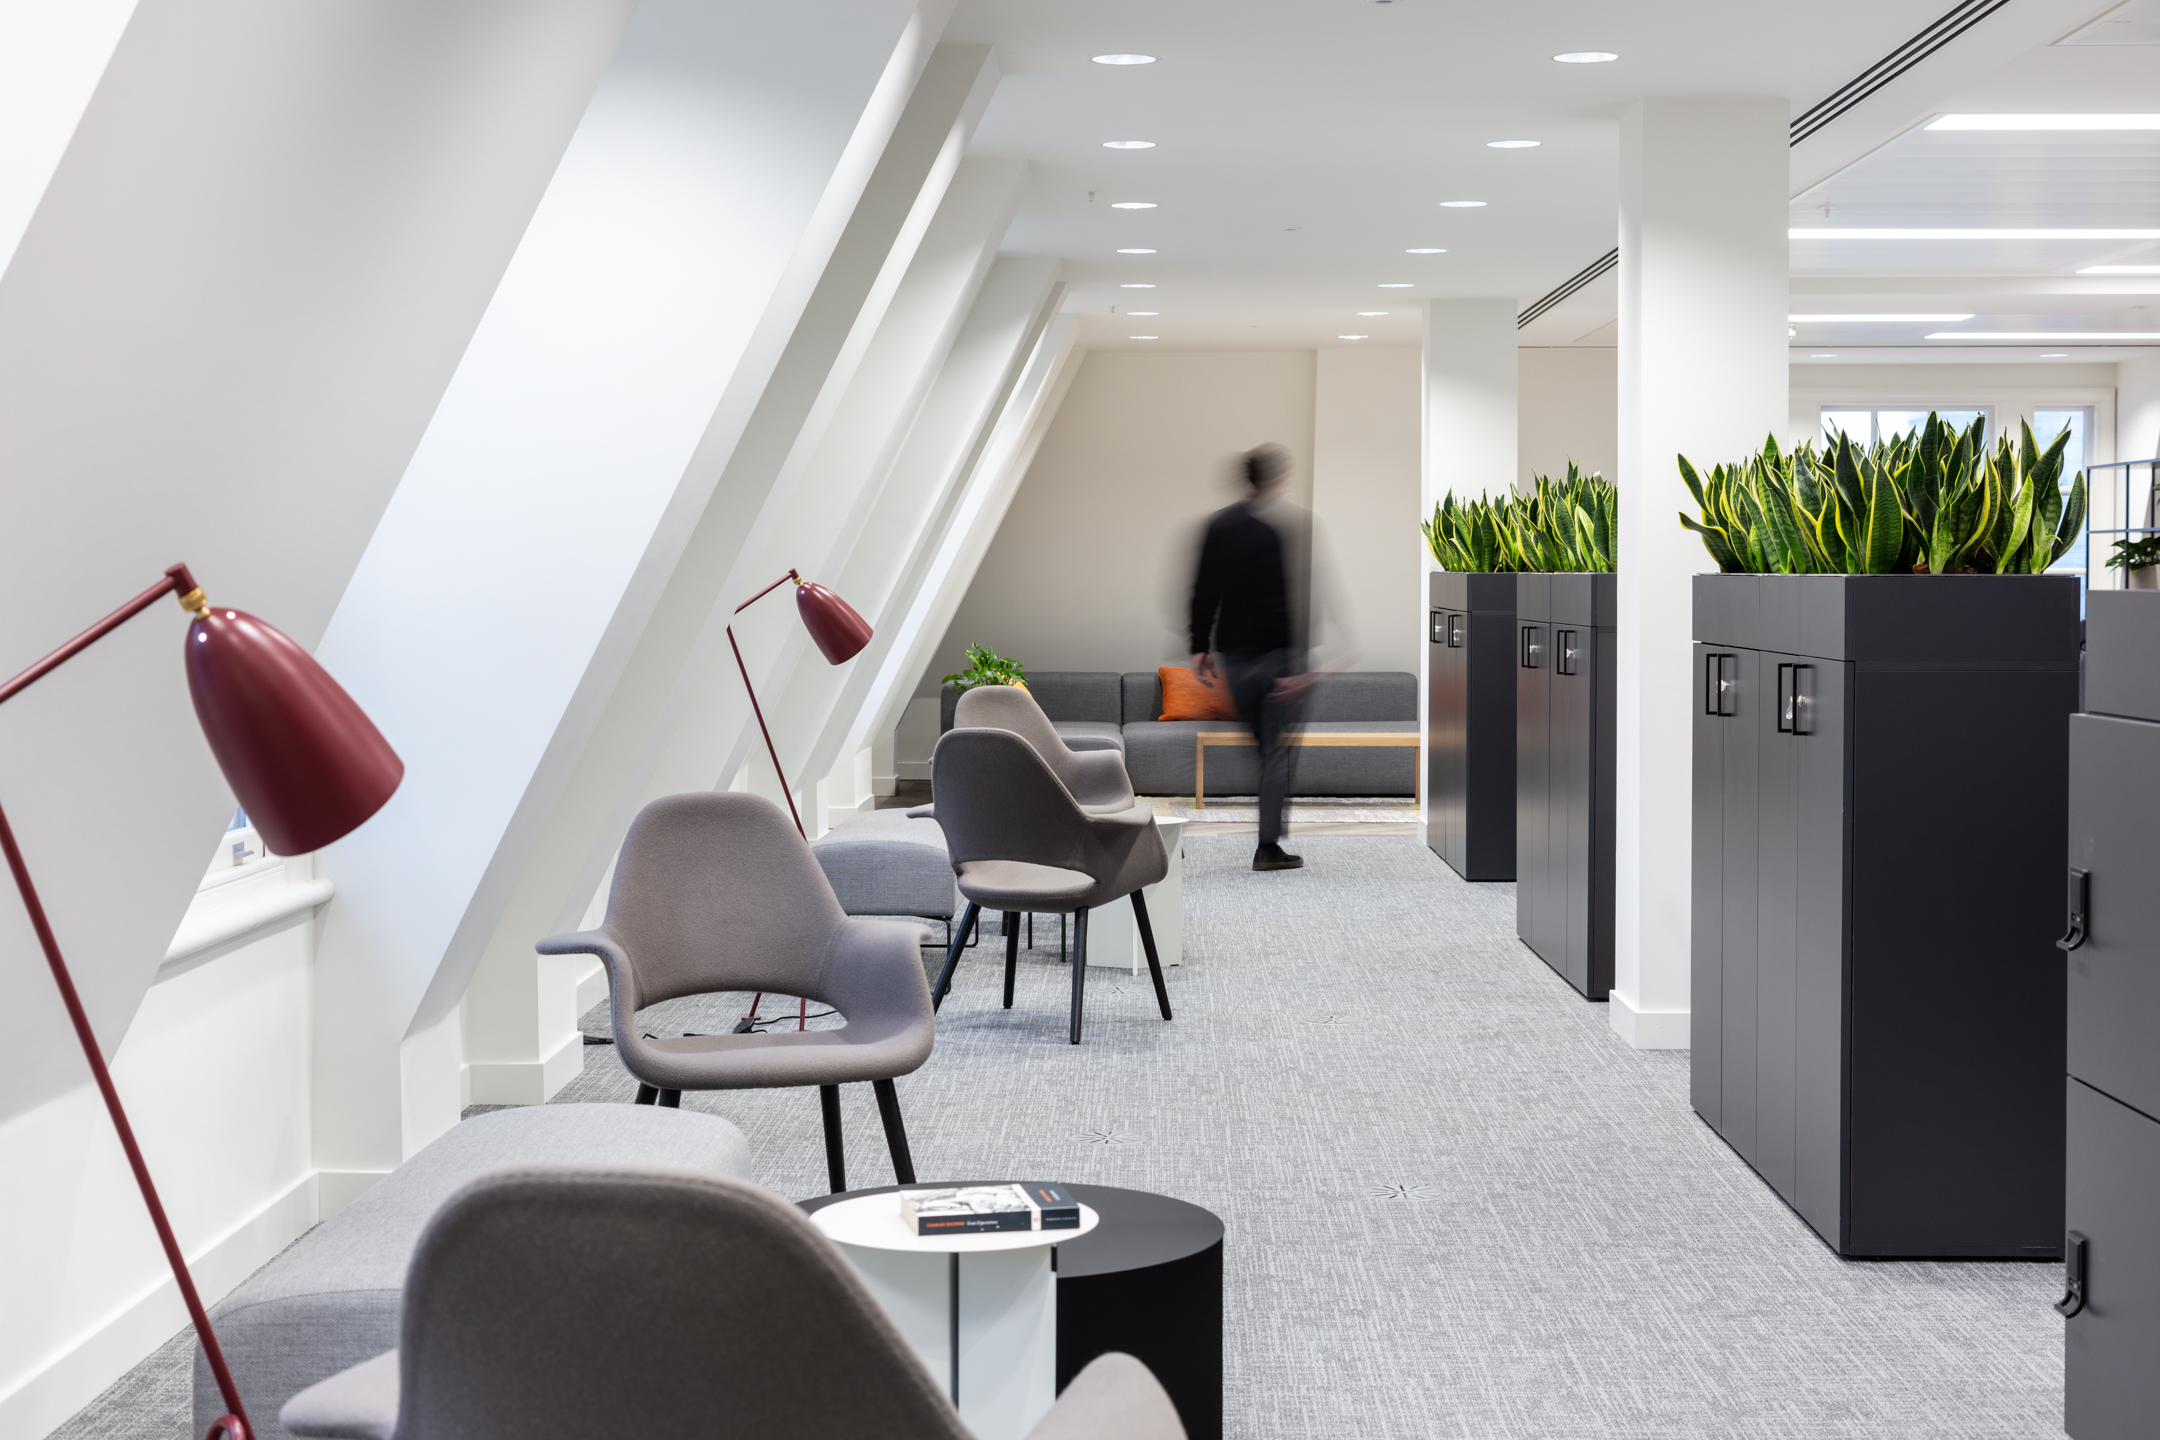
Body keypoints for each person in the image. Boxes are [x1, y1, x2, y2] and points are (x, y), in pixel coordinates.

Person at [1188, 444, 1324, 871]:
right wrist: (1293, 667)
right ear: (1274, 479)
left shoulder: (1217, 526)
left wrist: (1199, 647)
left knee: (1266, 752)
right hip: (1272, 660)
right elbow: (1282, 603)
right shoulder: (1273, 532)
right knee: (1275, 755)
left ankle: (1269, 842)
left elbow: (1203, 590)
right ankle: (1267, 848)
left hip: (1235, 661)